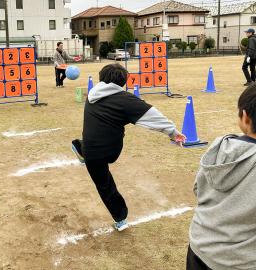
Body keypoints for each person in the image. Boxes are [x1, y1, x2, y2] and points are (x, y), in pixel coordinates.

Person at [71, 64, 186, 231]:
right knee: (99, 142)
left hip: (92, 153)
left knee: (104, 185)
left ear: (101, 78)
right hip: (112, 151)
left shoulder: (91, 95)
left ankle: (120, 219)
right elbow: (154, 116)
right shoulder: (126, 100)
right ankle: (80, 149)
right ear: (123, 82)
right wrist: (174, 133)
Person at [187, 85, 256, 270]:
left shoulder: (219, 147)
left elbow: (198, 189)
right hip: (241, 261)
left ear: (244, 117)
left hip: (199, 246)